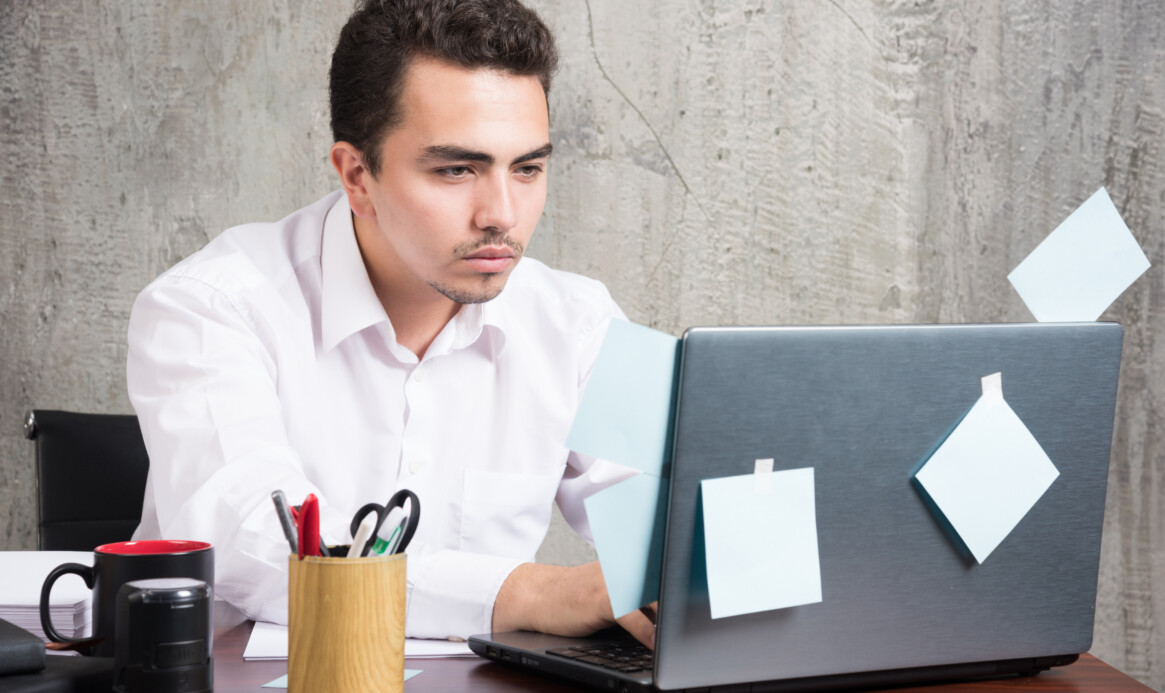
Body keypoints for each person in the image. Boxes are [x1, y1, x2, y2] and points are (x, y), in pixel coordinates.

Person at [126, 0, 655, 646]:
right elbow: (249, 542)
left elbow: (680, 511)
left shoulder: (578, 322)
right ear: (357, 176)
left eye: (527, 168)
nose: (501, 214)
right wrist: (534, 591)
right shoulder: (209, 306)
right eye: (456, 169)